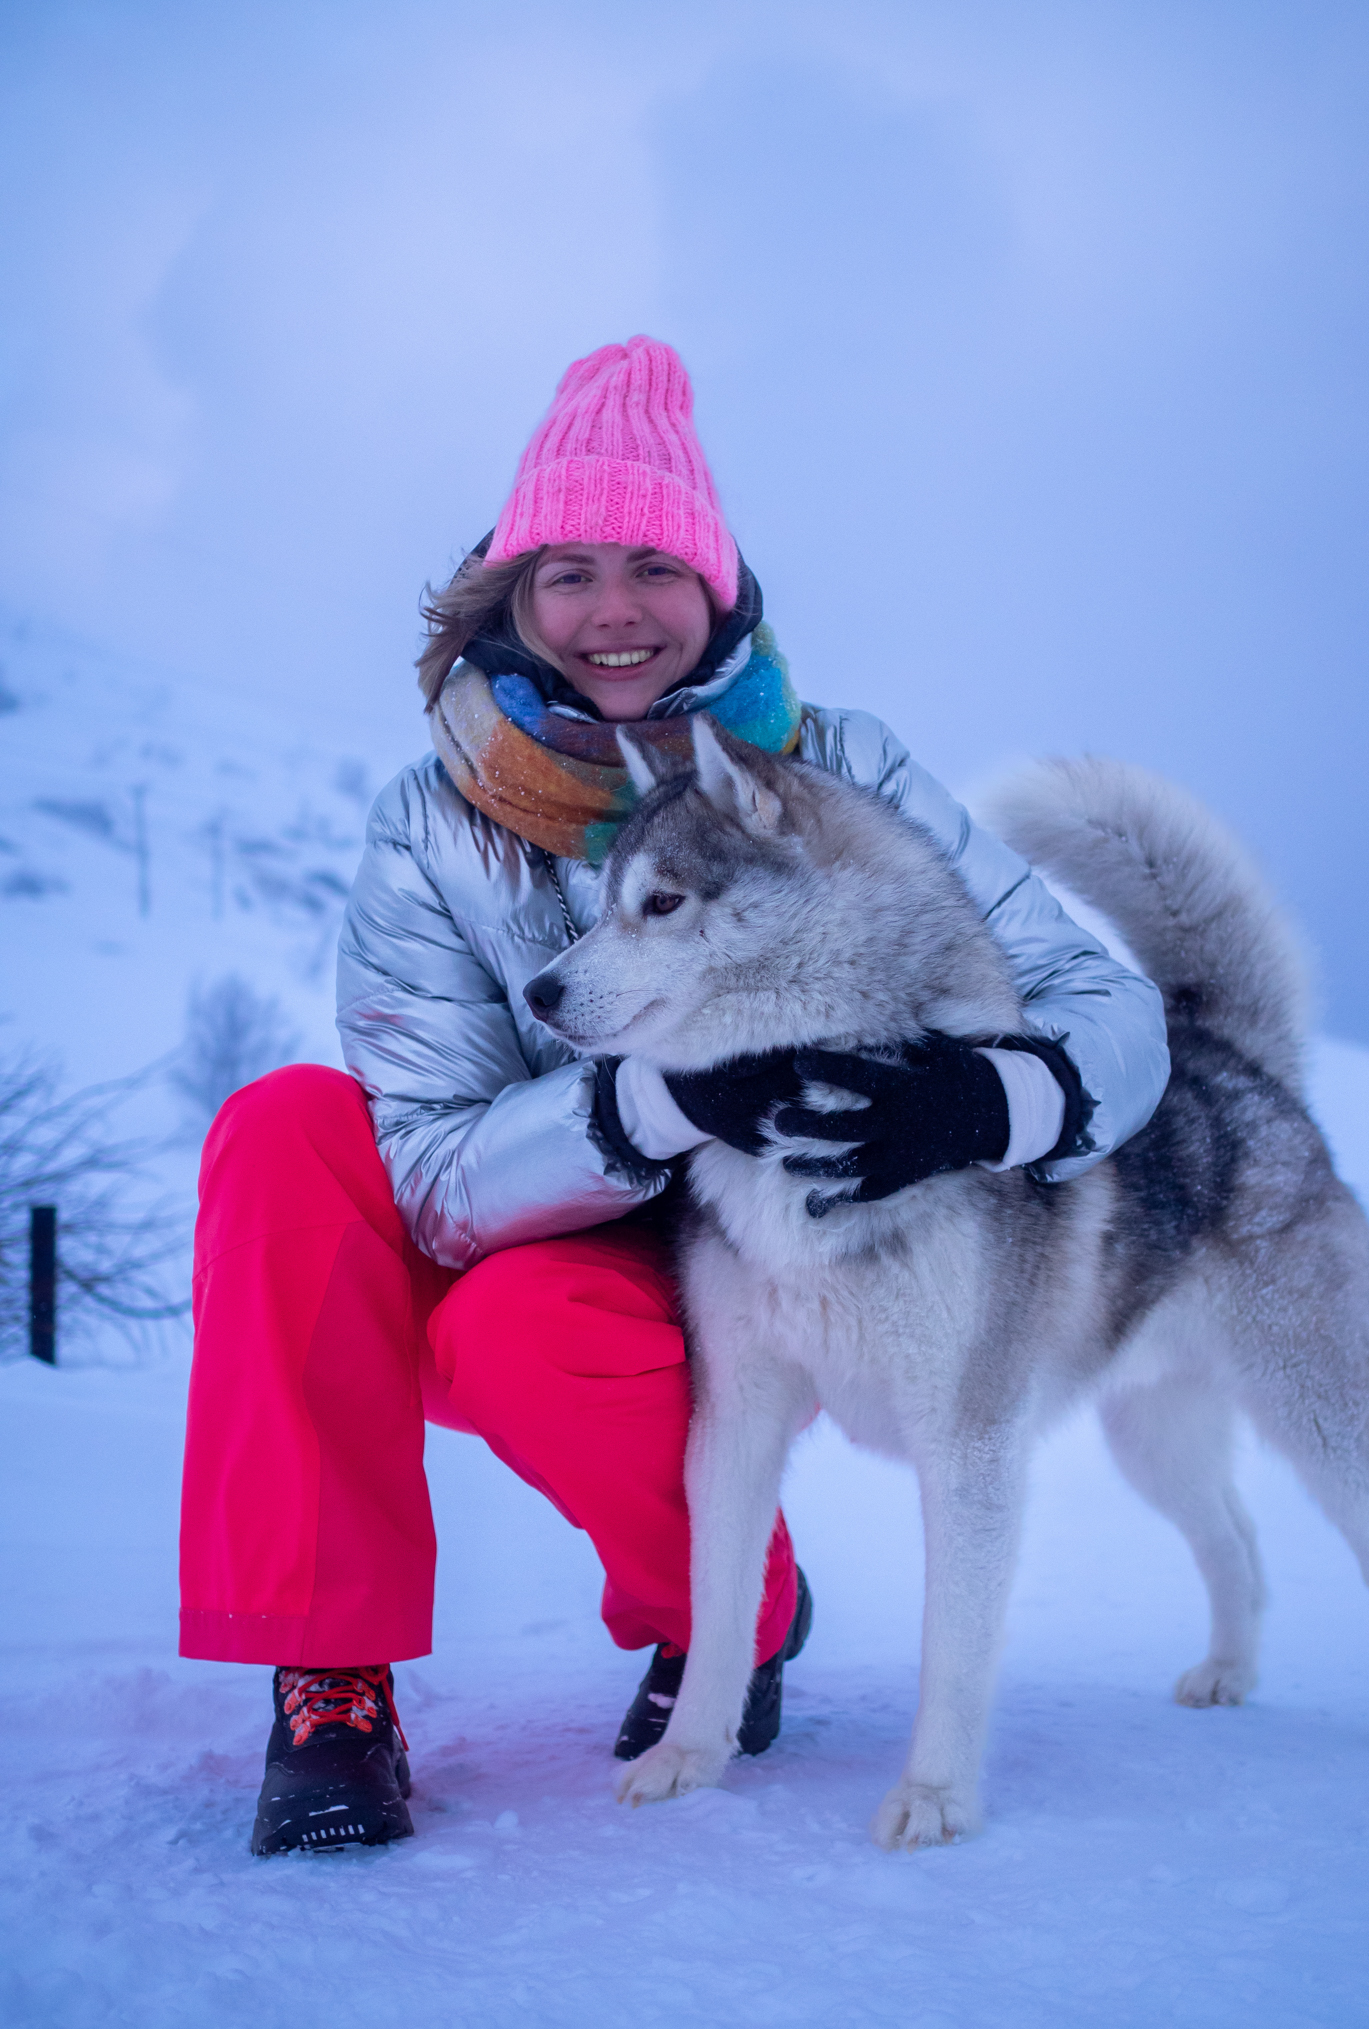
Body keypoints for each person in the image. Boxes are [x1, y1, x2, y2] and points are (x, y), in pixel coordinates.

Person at [178, 337, 1170, 1856]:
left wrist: (991, 1101)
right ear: (514, 595)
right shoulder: (428, 826)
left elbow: (1108, 1011)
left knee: (532, 1333)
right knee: (284, 1131)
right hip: (561, 1207)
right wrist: (649, 1109)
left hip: (757, 1250)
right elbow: (426, 1169)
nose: (612, 608)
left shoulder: (841, 768)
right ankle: (329, 1670)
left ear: (717, 587)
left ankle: (725, 1618)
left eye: (652, 561)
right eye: (567, 569)